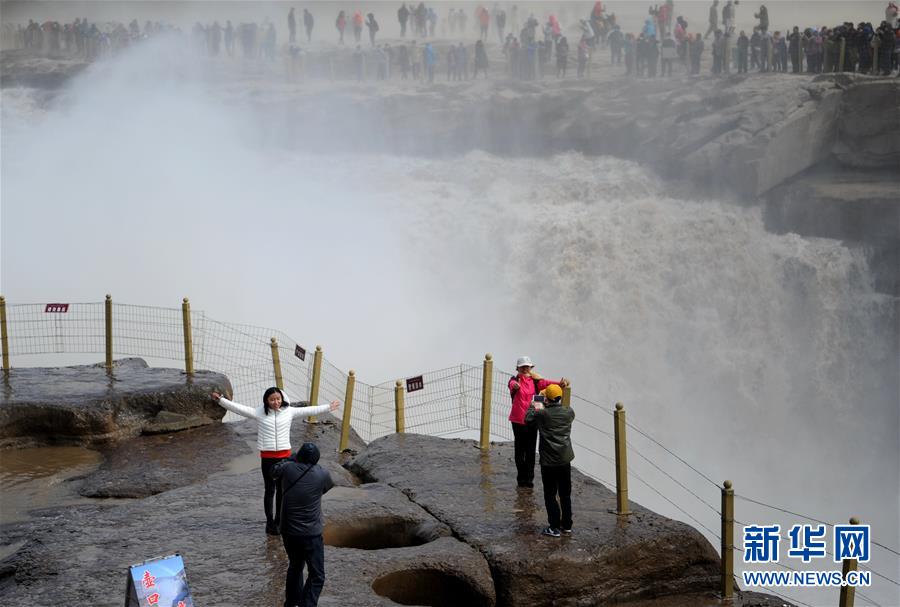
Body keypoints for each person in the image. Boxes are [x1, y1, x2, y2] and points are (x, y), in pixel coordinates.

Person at [210, 388, 339, 535]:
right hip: (267, 457)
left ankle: (279, 520)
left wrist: (328, 407)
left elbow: (309, 410)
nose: (275, 402)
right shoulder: (259, 413)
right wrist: (221, 400)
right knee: (270, 490)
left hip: (285, 458)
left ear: (282, 398)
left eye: (278, 399)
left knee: (282, 490)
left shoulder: (289, 411)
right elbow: (238, 408)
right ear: (266, 401)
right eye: (272, 400)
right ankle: (269, 522)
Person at [271, 442, 334, 607]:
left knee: (295, 566)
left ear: (298, 456)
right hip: (311, 533)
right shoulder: (322, 474)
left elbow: (273, 471)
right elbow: (326, 488)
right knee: (317, 575)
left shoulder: (287, 469)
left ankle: (291, 603)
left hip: (289, 531)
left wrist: (290, 459)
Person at [507, 356, 567, 489]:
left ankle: (529, 479)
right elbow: (511, 385)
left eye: (527, 367)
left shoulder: (535, 382)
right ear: (518, 368)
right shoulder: (514, 380)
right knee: (519, 450)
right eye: (522, 367)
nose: (525, 369)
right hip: (517, 420)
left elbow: (547, 384)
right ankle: (521, 477)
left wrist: (559, 383)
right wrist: (515, 385)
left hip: (532, 420)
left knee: (530, 450)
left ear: (530, 368)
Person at [525, 384, 575, 537]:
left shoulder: (543, 414)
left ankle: (554, 527)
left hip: (549, 461)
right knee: (565, 493)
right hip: (565, 459)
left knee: (550, 493)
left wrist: (534, 404)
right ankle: (567, 525)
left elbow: (527, 419)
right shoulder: (569, 412)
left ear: (547, 398)